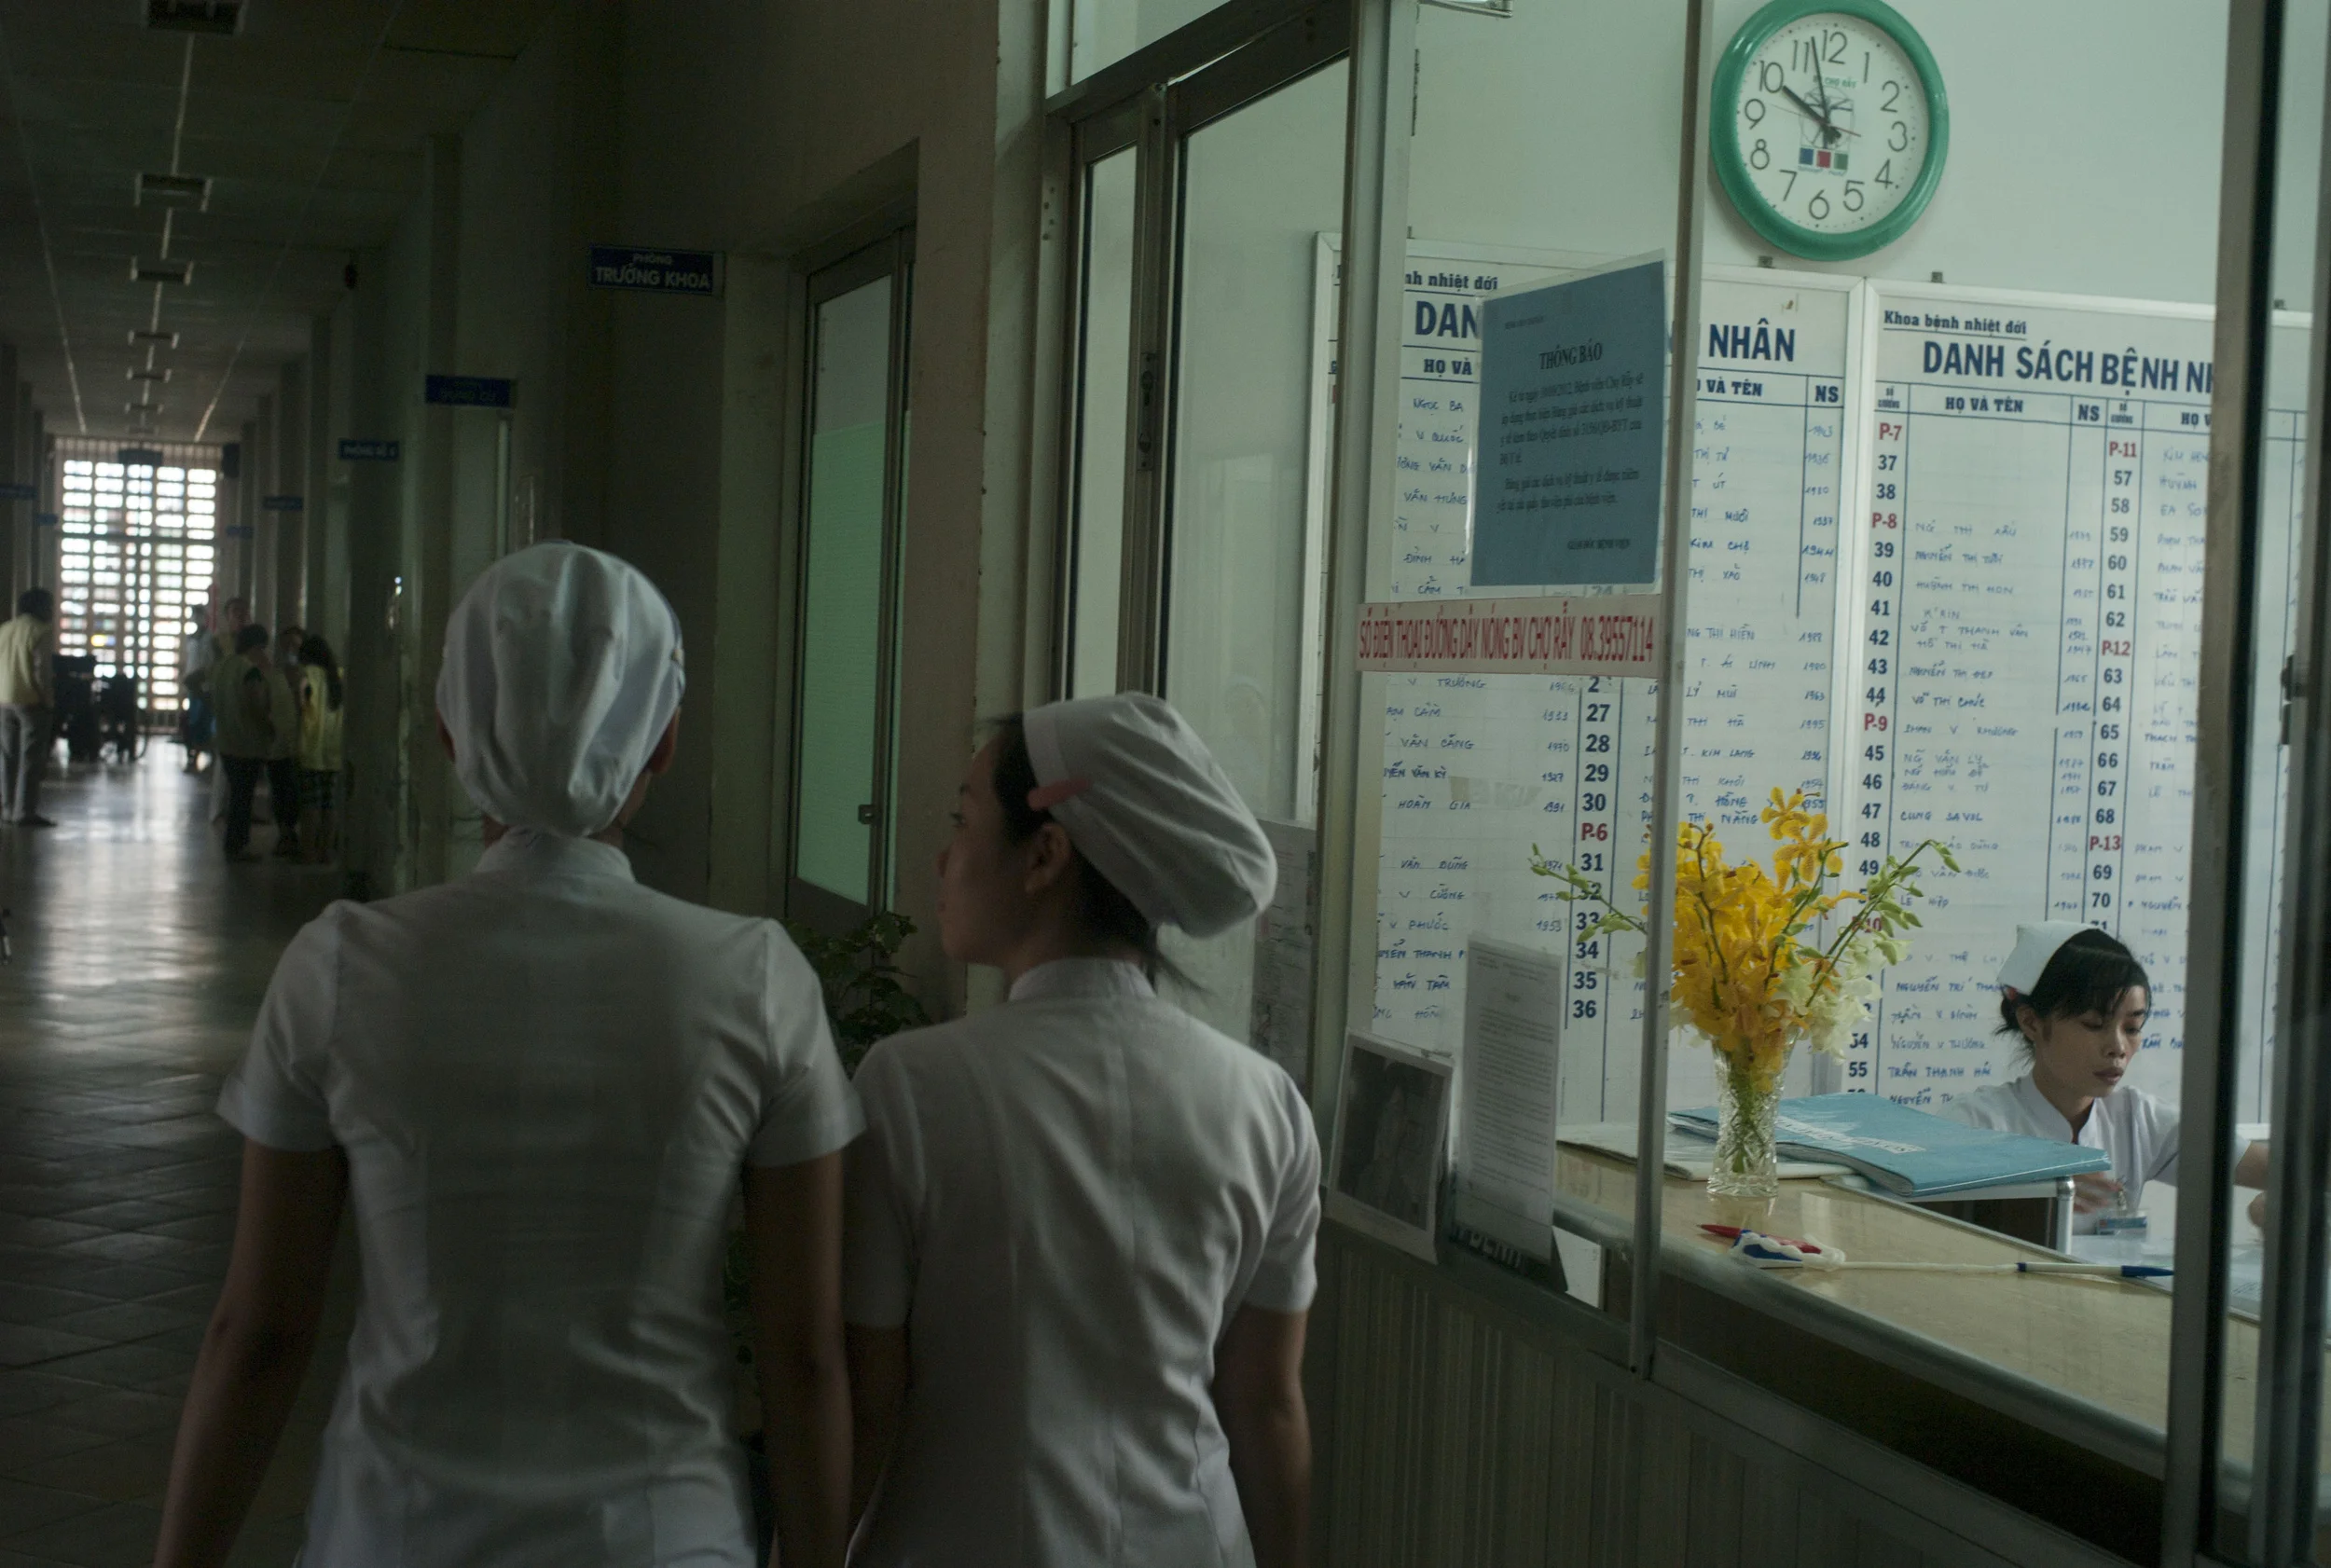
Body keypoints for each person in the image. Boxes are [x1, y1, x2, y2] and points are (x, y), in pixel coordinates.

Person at [154, 542, 862, 1568]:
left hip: (395, 1530)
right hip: (663, 1536)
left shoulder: (345, 966)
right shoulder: (754, 978)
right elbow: (805, 1358)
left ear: (448, 731)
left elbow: (258, 1334)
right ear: (662, 745)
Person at [844, 693, 1320, 1568]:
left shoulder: (908, 1088)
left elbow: (869, 1402)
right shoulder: (1267, 1105)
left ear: (1046, 855)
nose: (944, 858)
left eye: (963, 820)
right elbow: (1267, 1408)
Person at [1940, 922, 2269, 1232]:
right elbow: (1914, 1218)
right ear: (2031, 1023)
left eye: (2132, 1028)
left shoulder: (2138, 1119)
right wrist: (2026, 1199)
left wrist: (2278, 1205)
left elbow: (2289, 1172)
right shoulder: (1975, 1122)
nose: (2118, 1048)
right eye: (2094, 1024)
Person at [208, 625, 299, 863]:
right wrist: (268, 726)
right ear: (257, 647)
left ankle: (233, 843)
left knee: (237, 794)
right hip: (247, 744)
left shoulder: (223, 667)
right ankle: (239, 845)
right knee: (243, 798)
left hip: (227, 742)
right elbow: (255, 703)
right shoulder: (250, 671)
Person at [0, 588, 57, 828]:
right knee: (31, 758)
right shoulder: (40, 631)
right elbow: (40, 670)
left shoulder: (5, 629)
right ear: (41, 607)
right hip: (30, 700)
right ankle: (24, 812)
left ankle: (7, 809)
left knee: (7, 757)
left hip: (4, 700)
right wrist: (48, 700)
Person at [294, 634, 345, 865]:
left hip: (311, 749)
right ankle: (326, 850)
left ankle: (308, 850)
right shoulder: (339, 677)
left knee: (311, 804)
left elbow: (301, 707)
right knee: (329, 803)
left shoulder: (306, 676)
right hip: (333, 751)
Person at [210, 598, 250, 823]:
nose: (241, 617)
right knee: (226, 757)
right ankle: (219, 809)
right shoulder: (220, 641)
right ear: (228, 617)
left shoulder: (253, 641)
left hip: (247, 702)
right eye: (236, 613)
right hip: (227, 702)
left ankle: (239, 810)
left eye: (244, 612)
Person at [181, 604, 217, 774]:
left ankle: (208, 756)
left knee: (205, 721)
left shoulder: (211, 638)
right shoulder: (190, 638)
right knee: (193, 721)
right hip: (192, 685)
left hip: (206, 685)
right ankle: (193, 756)